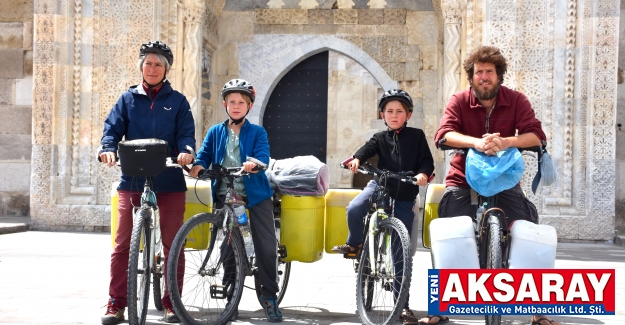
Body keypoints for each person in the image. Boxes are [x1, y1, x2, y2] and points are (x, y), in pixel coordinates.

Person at [431, 45, 560, 325]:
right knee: (448, 234)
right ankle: (440, 307)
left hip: (505, 180)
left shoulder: (516, 100)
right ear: (472, 76)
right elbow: (443, 134)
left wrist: (506, 142)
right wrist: (476, 142)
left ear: (499, 75)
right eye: (479, 72)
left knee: (528, 232)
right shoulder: (459, 100)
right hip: (462, 179)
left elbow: (536, 136)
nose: (484, 76)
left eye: (490, 71)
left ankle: (537, 310)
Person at [98, 41, 195, 325]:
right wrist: (107, 149)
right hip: (132, 176)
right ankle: (116, 303)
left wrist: (186, 151)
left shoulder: (178, 101)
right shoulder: (127, 99)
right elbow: (112, 130)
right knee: (122, 244)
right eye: (148, 63)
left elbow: (186, 134)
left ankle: (172, 302)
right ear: (141, 67)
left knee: (173, 244)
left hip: (169, 177)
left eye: (158, 64)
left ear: (166, 69)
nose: (152, 68)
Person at [331, 89, 435, 325]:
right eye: (390, 111)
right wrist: (356, 159)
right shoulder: (380, 137)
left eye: (400, 111)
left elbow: (426, 160)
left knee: (401, 254)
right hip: (380, 186)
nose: (394, 115)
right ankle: (355, 242)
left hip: (405, 195)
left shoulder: (417, 136)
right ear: (382, 114)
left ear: (408, 115)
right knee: (355, 208)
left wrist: (423, 174)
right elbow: (366, 150)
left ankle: (403, 306)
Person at [189, 79, 283, 323]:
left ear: (249, 106)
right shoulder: (216, 132)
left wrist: (255, 164)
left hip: (255, 195)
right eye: (232, 101)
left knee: (265, 244)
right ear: (225, 105)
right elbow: (204, 155)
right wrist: (198, 166)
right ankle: (231, 293)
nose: (236, 105)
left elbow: (263, 154)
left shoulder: (257, 132)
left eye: (242, 102)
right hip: (226, 192)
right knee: (228, 244)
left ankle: (270, 296)